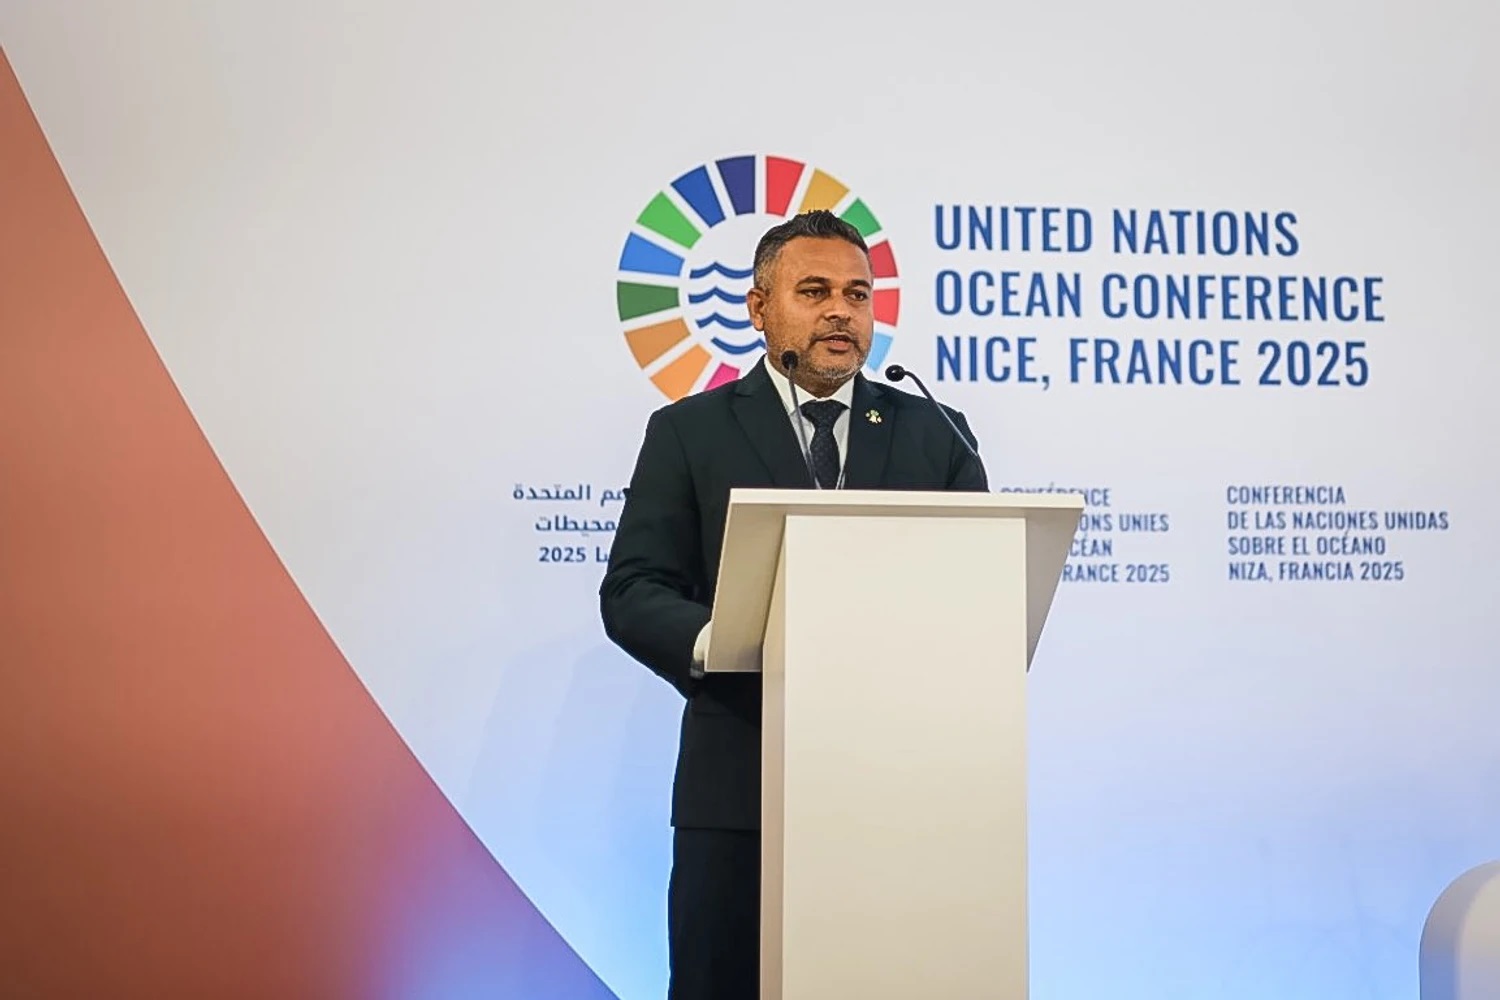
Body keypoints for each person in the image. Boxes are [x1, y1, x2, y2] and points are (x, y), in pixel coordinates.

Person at [599, 210, 988, 1000]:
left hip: (903, 789)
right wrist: (729, 638)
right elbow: (634, 589)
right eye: (814, 292)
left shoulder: (936, 433)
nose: (841, 311)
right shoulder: (689, 432)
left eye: (857, 294)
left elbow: (977, 594)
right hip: (740, 781)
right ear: (758, 307)